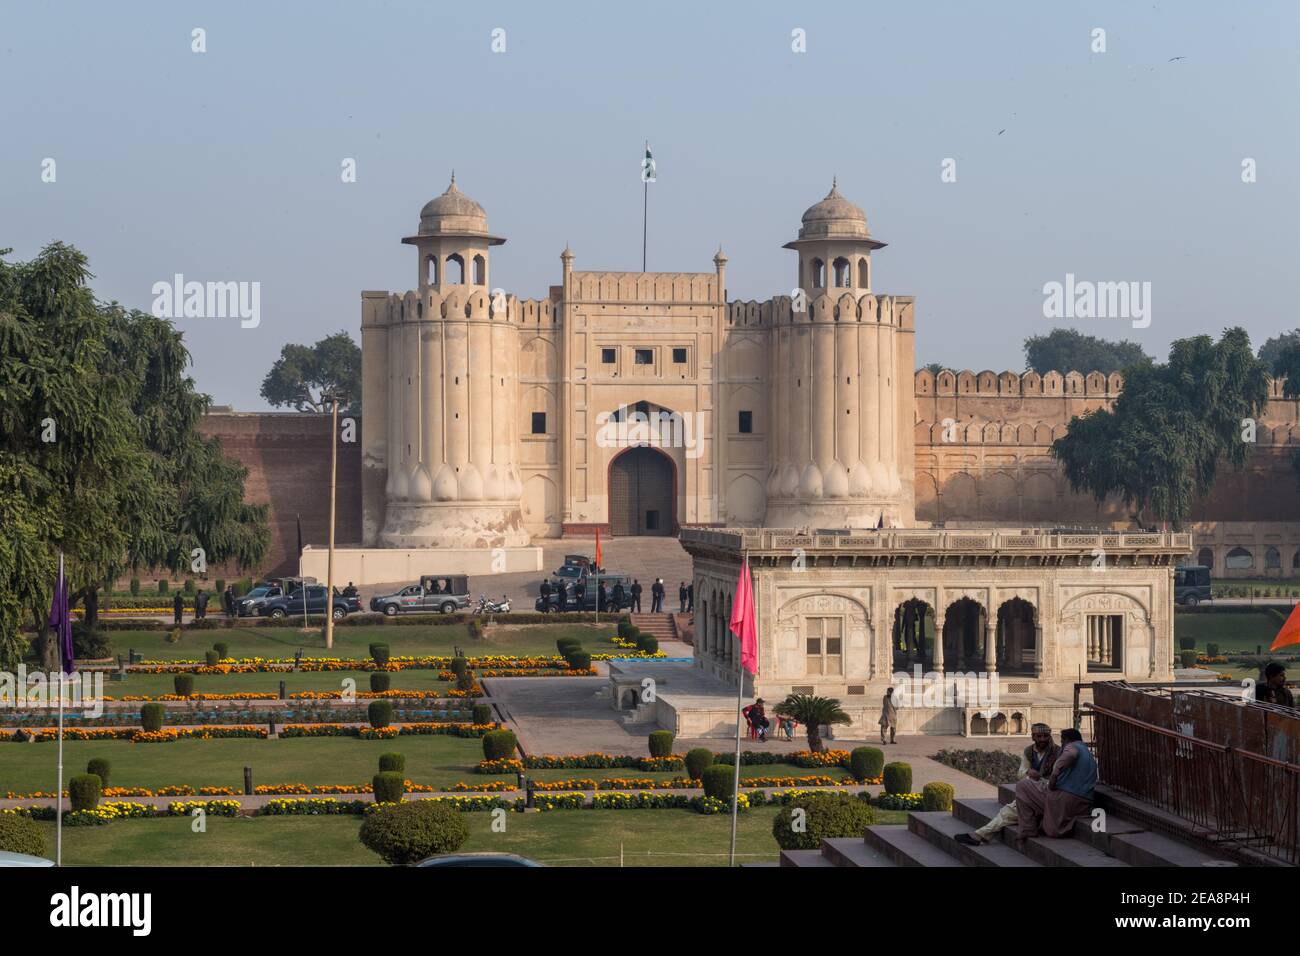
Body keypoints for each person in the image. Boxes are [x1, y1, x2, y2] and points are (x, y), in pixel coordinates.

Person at [957, 724, 1060, 846]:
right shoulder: (1029, 751)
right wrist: (1029, 773)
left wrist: (1040, 779)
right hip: (1032, 790)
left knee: (1009, 811)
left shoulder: (1057, 752)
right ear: (1033, 737)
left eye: (1045, 736)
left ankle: (979, 835)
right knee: (1008, 812)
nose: (1042, 739)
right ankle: (979, 835)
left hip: (1047, 792)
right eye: (1039, 736)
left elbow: (1057, 778)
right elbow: (1021, 773)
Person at [1015, 727, 1096, 839]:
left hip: (1066, 798)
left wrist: (1054, 776)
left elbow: (1070, 754)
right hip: (1083, 801)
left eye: (1062, 741)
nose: (1061, 744)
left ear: (1066, 740)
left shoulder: (1072, 747)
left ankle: (1028, 829)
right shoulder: (1086, 750)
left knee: (1022, 786)